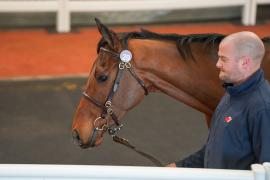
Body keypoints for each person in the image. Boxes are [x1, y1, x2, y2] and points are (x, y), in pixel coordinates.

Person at [167, 31, 270, 169]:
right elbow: (215, 149)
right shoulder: (232, 92)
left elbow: (266, 168)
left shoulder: (262, 107)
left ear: (244, 63)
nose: (217, 64)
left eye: (223, 59)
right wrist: (179, 167)